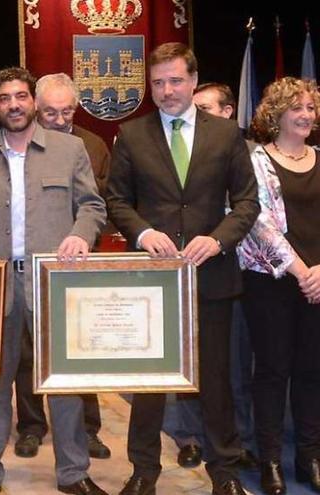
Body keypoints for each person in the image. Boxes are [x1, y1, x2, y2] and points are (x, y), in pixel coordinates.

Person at [105, 42, 259, 495]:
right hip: (152, 279)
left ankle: (224, 471)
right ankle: (143, 471)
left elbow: (248, 201)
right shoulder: (132, 135)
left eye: (175, 80)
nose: (167, 90)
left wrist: (218, 239)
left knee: (216, 379)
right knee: (149, 380)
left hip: (211, 275)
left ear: (193, 81)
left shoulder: (225, 134)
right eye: (158, 83)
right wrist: (141, 233)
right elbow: (116, 200)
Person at [0, 66, 107, 495]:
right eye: (5, 98)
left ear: (33, 102)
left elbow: (93, 206)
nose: (14, 105)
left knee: (63, 384)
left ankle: (74, 473)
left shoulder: (70, 148)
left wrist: (80, 234)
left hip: (51, 282)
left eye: (21, 96)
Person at [13, 72, 111, 461]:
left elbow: (98, 202)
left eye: (65, 111)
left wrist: (82, 238)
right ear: (37, 106)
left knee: (79, 352)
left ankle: (88, 430)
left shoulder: (93, 145)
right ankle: (32, 426)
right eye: (49, 111)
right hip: (29, 267)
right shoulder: (21, 143)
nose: (56, 118)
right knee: (26, 354)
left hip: (77, 266)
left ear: (76, 108)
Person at [163, 81, 259, 472]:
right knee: (186, 358)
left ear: (228, 111)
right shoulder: (176, 146)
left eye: (207, 107)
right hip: (189, 264)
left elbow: (250, 208)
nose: (198, 114)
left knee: (232, 364)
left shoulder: (254, 154)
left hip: (243, 268)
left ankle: (240, 438)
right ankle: (189, 437)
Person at [237, 76, 320, 495]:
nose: (306, 115)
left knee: (312, 371)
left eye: (310, 107)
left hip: (318, 283)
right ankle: (270, 458)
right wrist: (302, 270)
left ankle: (310, 458)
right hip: (271, 283)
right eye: (297, 108)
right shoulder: (256, 161)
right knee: (271, 372)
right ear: (276, 114)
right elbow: (258, 224)